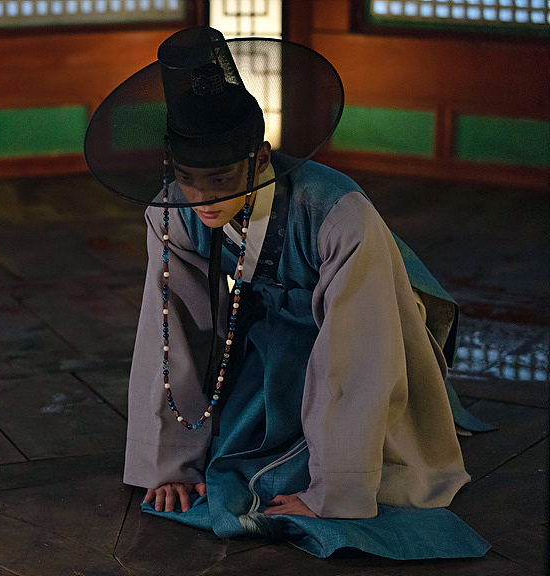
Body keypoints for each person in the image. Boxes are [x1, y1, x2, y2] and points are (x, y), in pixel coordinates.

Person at [85, 26, 489, 559]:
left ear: (261, 158)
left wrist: (334, 490)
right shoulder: (174, 213)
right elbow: (171, 333)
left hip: (375, 320)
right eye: (187, 178)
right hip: (273, 328)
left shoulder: (338, 215)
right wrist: (169, 464)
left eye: (221, 179)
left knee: (376, 461)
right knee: (235, 455)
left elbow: (357, 353)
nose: (201, 200)